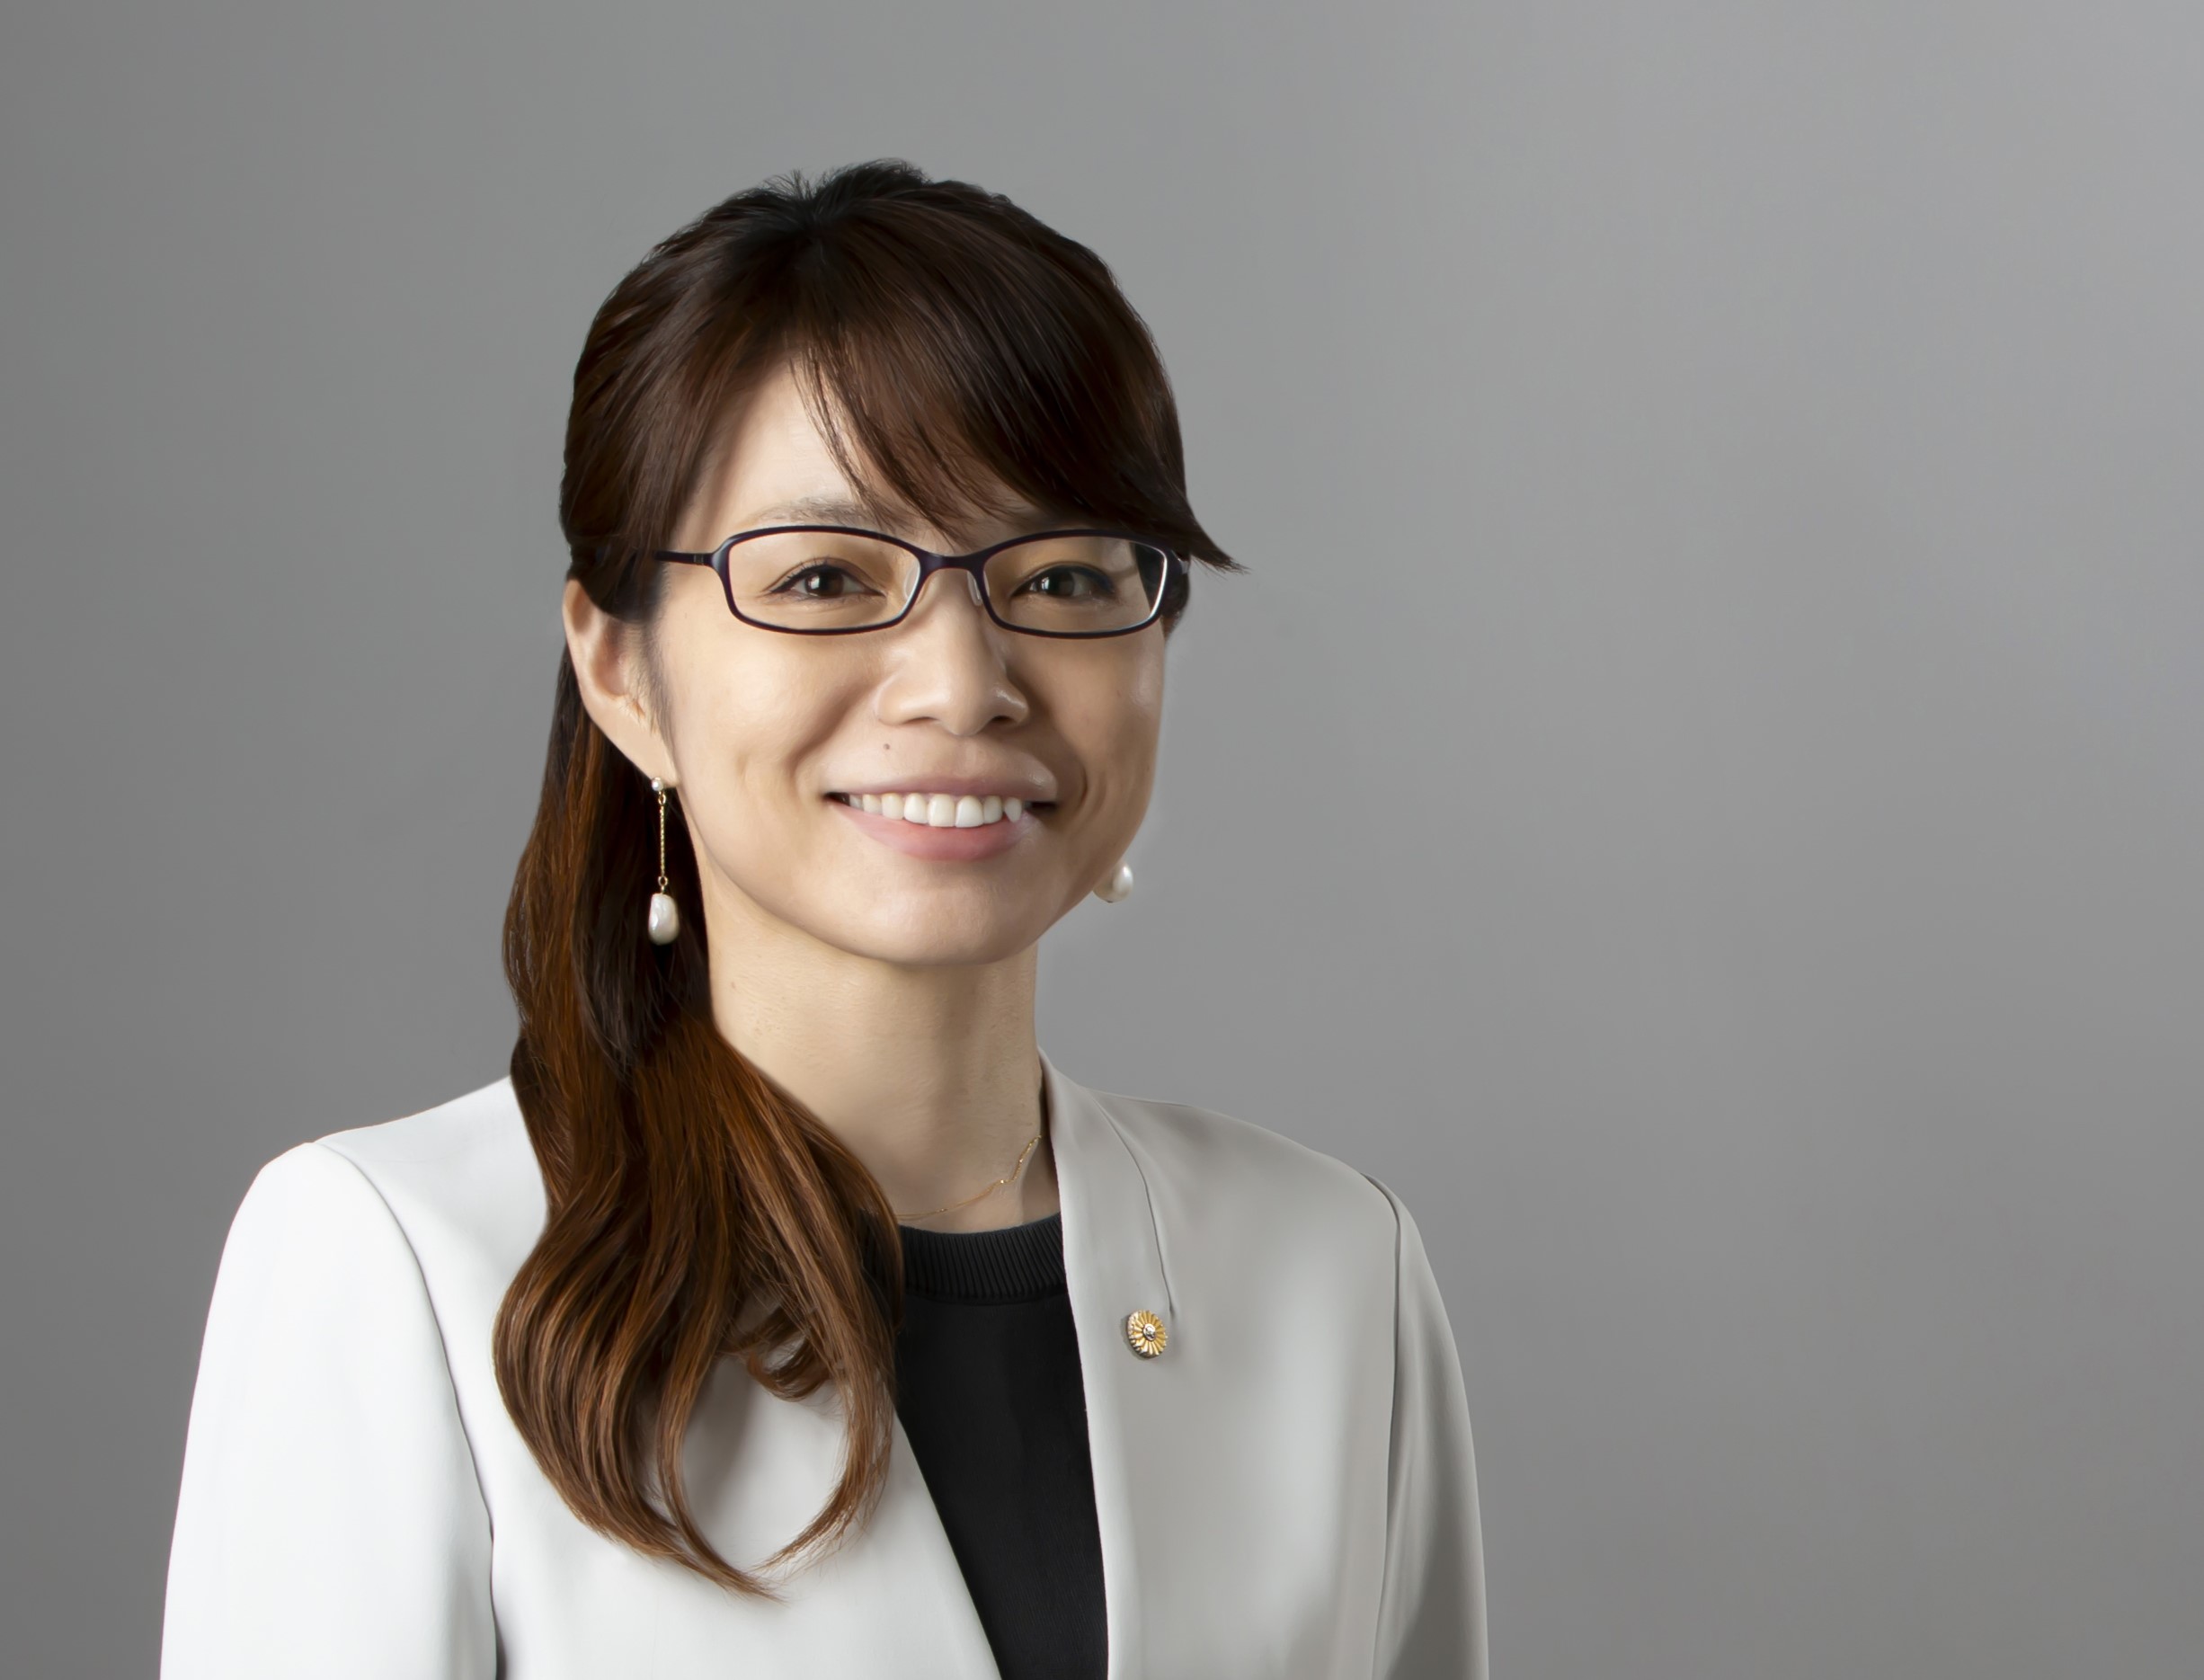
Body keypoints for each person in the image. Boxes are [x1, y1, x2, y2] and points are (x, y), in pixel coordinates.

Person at [160, 159, 1487, 1679]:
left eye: (1062, 573)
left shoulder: (1339, 1271)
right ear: (619, 671)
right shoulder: (401, 1267)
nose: (962, 683)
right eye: (822, 577)